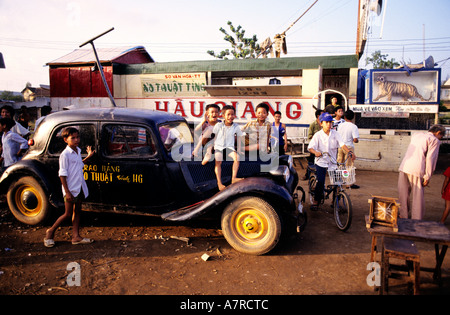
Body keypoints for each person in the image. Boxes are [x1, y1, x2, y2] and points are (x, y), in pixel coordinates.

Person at [44, 127, 95, 247]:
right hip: (71, 189)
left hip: (79, 187)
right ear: (65, 139)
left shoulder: (77, 150)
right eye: (73, 138)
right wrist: (67, 192)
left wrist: (88, 156)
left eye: (77, 137)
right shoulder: (65, 155)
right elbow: (62, 174)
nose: (76, 140)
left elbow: (79, 164)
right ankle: (50, 232)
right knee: (67, 214)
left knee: (77, 211)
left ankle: (76, 236)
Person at [307, 112, 356, 208]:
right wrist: (316, 152)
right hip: (321, 162)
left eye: (330, 122)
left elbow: (342, 144)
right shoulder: (318, 135)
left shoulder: (335, 133)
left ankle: (335, 201)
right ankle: (316, 200)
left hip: (332, 162)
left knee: (337, 182)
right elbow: (310, 148)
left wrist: (349, 152)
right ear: (321, 123)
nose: (329, 124)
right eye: (327, 122)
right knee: (321, 181)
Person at [398, 125, 446, 220]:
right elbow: (430, 158)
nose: (441, 138)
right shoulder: (434, 140)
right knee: (417, 196)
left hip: (404, 166)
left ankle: (403, 215)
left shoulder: (417, 135)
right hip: (417, 168)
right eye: (441, 136)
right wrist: (427, 176)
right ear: (438, 133)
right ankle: (416, 219)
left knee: (403, 193)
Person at [211, 105, 243, 191]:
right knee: (218, 161)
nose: (230, 116)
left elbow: (239, 137)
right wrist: (210, 149)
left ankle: (234, 178)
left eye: (232, 114)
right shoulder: (219, 125)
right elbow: (214, 136)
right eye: (228, 114)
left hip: (229, 147)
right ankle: (219, 182)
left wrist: (239, 149)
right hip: (219, 147)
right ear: (223, 115)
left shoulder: (236, 126)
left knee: (237, 158)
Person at [337, 110, 360, 189]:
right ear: (353, 117)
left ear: (345, 117)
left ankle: (340, 180)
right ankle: (348, 183)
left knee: (340, 164)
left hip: (341, 146)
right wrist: (356, 140)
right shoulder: (354, 126)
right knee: (349, 166)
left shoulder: (340, 125)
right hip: (349, 147)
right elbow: (355, 139)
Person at [302, 109, 323, 180]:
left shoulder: (324, 124)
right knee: (311, 162)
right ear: (318, 116)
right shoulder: (313, 125)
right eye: (322, 114)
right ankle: (307, 175)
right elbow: (309, 136)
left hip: (322, 147)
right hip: (314, 147)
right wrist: (317, 136)